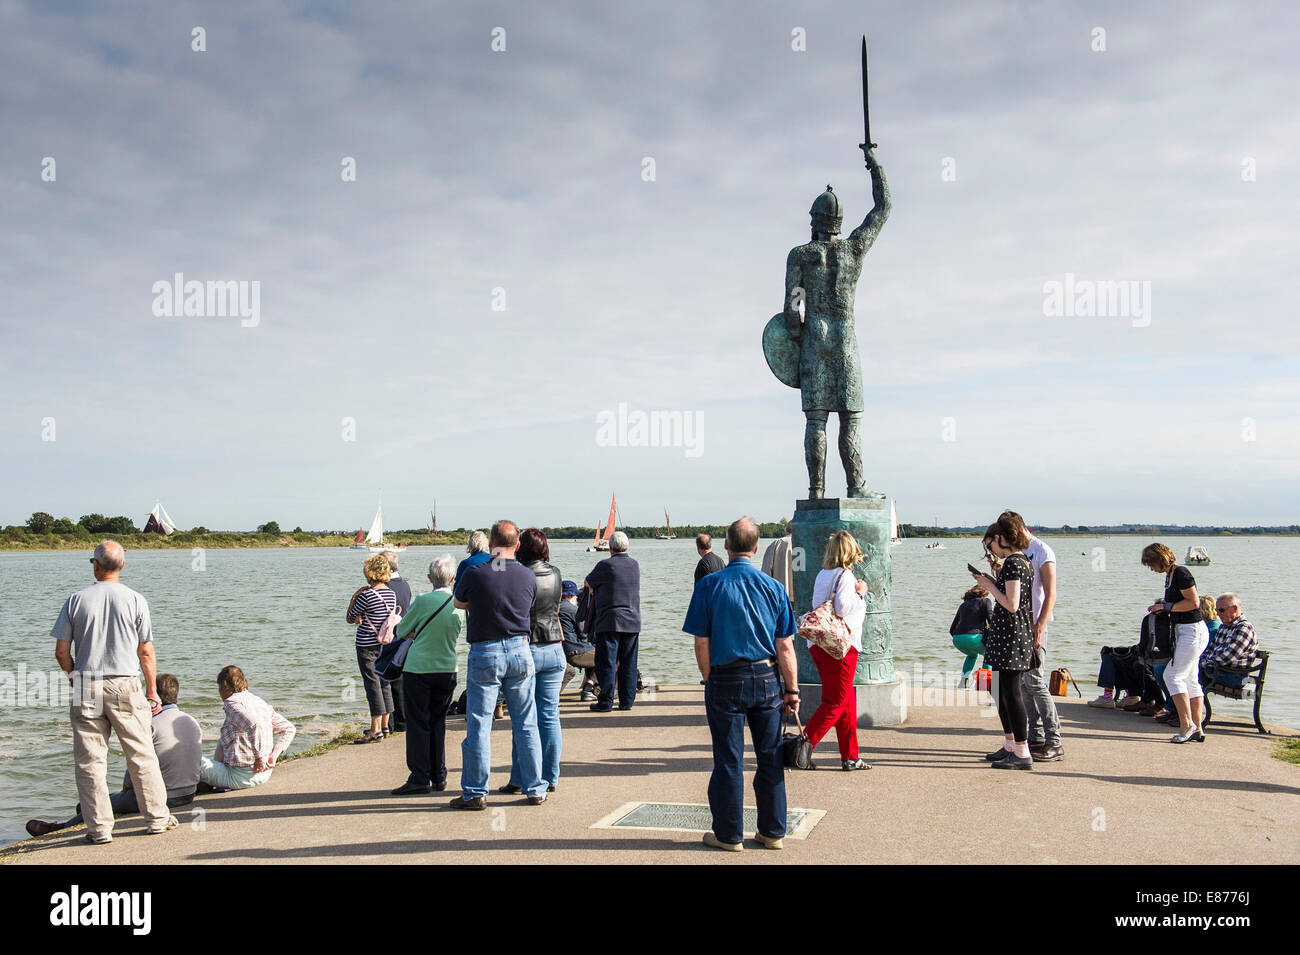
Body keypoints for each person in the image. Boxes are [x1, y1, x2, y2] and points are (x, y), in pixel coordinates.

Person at [683, 517, 799, 851]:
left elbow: (701, 642)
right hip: (766, 677)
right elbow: (786, 646)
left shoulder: (709, 585)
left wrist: (708, 677)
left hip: (725, 677)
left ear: (726, 546)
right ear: (757, 547)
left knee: (729, 759)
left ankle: (729, 835)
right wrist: (792, 690)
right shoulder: (774, 587)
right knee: (770, 756)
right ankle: (773, 831)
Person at [50, 540, 177, 844]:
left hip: (87, 684)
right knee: (141, 754)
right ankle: (157, 818)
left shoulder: (75, 600)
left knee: (90, 761)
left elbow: (61, 651)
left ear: (95, 565)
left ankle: (99, 829)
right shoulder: (136, 600)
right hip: (125, 683)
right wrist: (152, 690)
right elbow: (145, 651)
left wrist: (72, 677)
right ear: (122, 565)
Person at [26, 672, 201, 838]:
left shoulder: (151, 724)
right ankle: (70, 823)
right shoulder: (190, 721)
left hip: (164, 797)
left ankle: (61, 828)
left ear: (153, 696)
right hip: (189, 792)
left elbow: (137, 764)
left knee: (93, 804)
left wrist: (126, 790)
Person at [451, 520, 546, 809]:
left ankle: (475, 792)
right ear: (517, 545)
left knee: (480, 723)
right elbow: (526, 606)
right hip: (520, 649)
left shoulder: (475, 573)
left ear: (490, 544)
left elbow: (458, 602)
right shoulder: (528, 576)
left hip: (485, 650)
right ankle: (535, 788)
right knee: (526, 722)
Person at [389, 555, 464, 795]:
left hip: (419, 668)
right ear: (453, 578)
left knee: (418, 723)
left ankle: (419, 776)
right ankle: (439, 774)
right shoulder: (460, 603)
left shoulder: (422, 601)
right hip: (447, 667)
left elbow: (400, 631)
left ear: (429, 578)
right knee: (438, 722)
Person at [500, 529, 565, 795]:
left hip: (528, 646)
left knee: (523, 718)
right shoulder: (556, 573)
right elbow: (557, 607)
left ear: (521, 548)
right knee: (549, 715)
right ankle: (550, 776)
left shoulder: (518, 575)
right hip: (555, 646)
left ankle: (520, 777)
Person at [970, 517, 1035, 770]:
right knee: (1000, 691)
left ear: (1000, 539)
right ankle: (1010, 745)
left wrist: (988, 585)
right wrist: (995, 580)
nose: (991, 551)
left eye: (990, 545)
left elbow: (1011, 603)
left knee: (1011, 693)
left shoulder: (1015, 563)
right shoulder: (1020, 562)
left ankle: (1021, 751)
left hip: (1011, 635)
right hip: (1010, 635)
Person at [802, 531, 871, 770]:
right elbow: (842, 608)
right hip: (841, 647)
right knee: (835, 702)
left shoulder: (823, 574)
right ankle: (803, 745)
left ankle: (850, 755)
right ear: (850, 551)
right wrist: (860, 594)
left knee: (846, 701)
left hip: (820, 644)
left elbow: (816, 605)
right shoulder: (847, 576)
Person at [1000, 512, 1063, 762]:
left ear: (1018, 529)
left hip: (1036, 624)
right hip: (1021, 626)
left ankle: (1054, 740)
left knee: (1035, 681)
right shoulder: (1017, 554)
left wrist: (1040, 624)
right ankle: (1034, 736)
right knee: (1023, 684)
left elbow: (1051, 593)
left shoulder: (1042, 551)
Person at [1141, 542, 1209, 743]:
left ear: (1159, 559)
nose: (1151, 569)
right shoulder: (1170, 575)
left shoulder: (1181, 573)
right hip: (1184, 630)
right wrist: (1163, 607)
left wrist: (1167, 606)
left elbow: (1193, 603)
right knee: (1190, 679)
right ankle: (1197, 728)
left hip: (1192, 630)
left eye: (1151, 564)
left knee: (1173, 675)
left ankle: (1186, 724)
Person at [199, 665, 296, 790]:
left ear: (225, 685)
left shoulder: (231, 703)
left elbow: (254, 725)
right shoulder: (258, 701)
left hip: (240, 777)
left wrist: (259, 758)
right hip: (264, 774)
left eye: (219, 687)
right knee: (227, 733)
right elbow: (289, 728)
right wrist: (273, 757)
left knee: (192, 761)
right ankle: (211, 780)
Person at [584, 531, 642, 712]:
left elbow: (587, 582)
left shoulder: (605, 565)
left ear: (610, 548)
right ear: (627, 547)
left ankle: (606, 701)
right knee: (629, 663)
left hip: (610, 621)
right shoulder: (635, 565)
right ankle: (627, 701)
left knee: (607, 663)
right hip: (632, 621)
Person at [346, 553, 398, 743]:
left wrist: (354, 597)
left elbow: (350, 616)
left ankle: (374, 729)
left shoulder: (366, 595)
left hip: (366, 644)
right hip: (385, 643)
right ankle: (385, 725)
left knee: (372, 685)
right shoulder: (391, 594)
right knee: (384, 682)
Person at [1201, 593, 1257, 688]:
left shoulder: (1244, 628)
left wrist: (1203, 664)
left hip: (1235, 676)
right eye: (1216, 610)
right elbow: (1210, 650)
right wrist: (1201, 662)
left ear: (1235, 609)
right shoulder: (1223, 627)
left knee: (1189, 674)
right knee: (1185, 672)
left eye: (1221, 610)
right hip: (1217, 670)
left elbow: (1228, 656)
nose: (1218, 614)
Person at [382, 549, 411, 733]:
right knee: (399, 679)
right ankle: (402, 721)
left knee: (385, 680)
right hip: (403, 636)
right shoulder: (405, 585)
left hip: (388, 637)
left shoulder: (384, 587)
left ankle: (389, 723)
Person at [559, 580, 597, 701]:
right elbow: (583, 632)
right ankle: (588, 688)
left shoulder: (555, 608)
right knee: (609, 656)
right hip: (574, 651)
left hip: (560, 650)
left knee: (593, 654)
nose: (576, 597)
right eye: (575, 594)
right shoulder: (572, 610)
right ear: (569, 595)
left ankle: (589, 687)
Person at [950, 585, 993, 688]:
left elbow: (952, 628)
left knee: (972, 655)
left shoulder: (963, 605)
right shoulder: (985, 601)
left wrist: (961, 637)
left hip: (957, 640)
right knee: (988, 655)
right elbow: (991, 619)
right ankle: (983, 684)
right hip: (974, 638)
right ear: (984, 593)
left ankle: (963, 682)